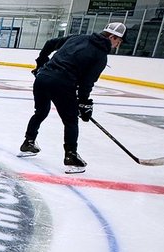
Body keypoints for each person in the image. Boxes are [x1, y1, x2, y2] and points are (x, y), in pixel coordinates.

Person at [20, 21, 126, 173]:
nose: (117, 46)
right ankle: (71, 156)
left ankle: (28, 143)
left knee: (41, 112)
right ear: (112, 37)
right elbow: (87, 83)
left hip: (42, 78)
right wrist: (84, 103)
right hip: (62, 83)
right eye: (119, 42)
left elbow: (50, 44)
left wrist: (41, 65)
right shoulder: (101, 56)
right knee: (70, 120)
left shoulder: (79, 37)